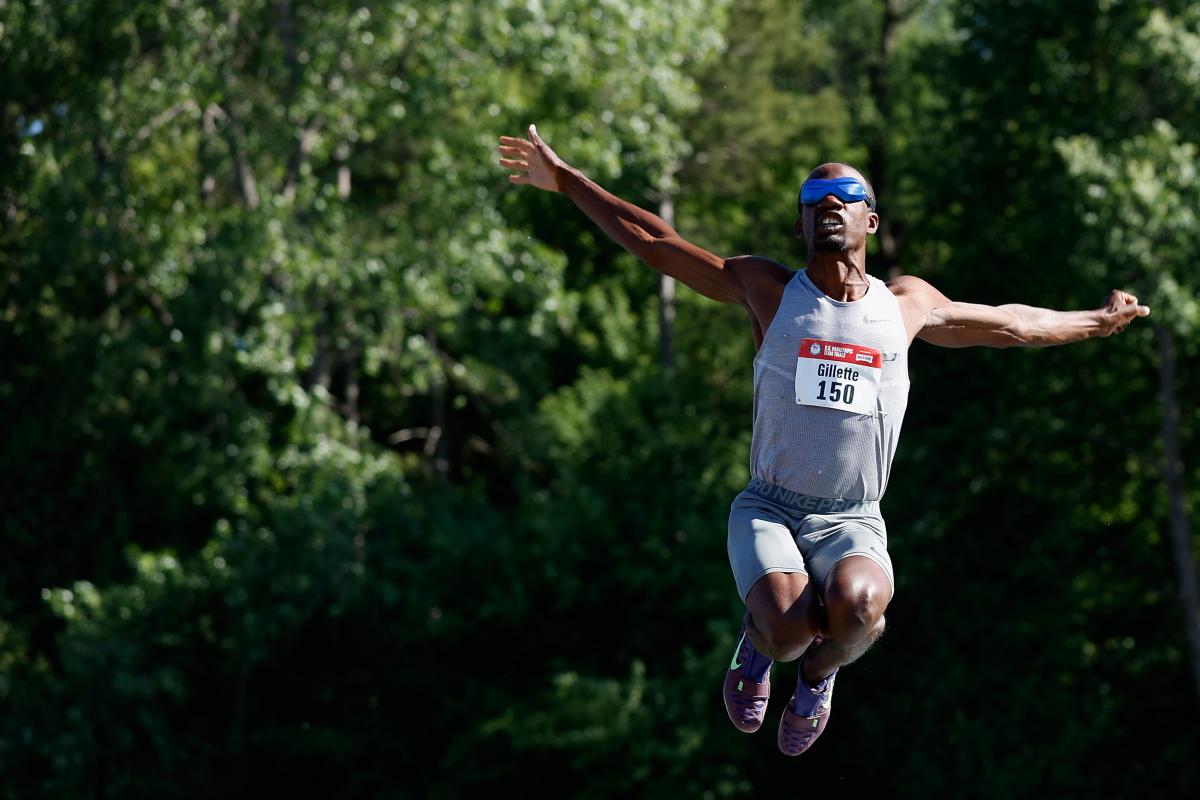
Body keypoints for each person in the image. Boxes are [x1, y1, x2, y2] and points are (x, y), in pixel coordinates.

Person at [497, 124, 1150, 756]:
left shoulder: (905, 306)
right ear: (801, 226)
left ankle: (817, 679)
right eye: (815, 199)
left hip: (853, 519)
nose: (830, 202)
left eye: (847, 196)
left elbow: (1014, 324)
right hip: (771, 506)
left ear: (871, 220)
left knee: (859, 609)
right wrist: (567, 180)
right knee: (786, 630)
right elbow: (655, 241)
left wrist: (1098, 321)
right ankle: (759, 648)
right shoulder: (769, 290)